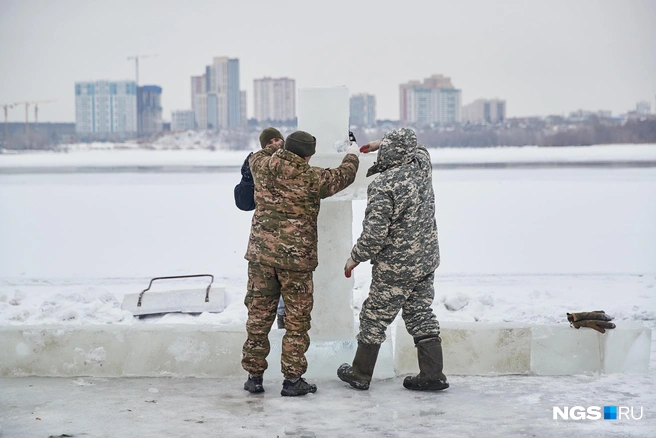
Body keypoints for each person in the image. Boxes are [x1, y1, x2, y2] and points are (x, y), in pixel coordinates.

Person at [242, 130, 360, 396]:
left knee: (258, 318)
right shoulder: (312, 178)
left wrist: (278, 150)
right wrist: (352, 152)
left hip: (261, 258)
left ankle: (254, 376)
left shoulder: (260, 165)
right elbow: (345, 175)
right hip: (296, 262)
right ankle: (293, 381)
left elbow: (259, 154)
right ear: (308, 155)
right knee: (296, 323)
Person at [337, 127, 449, 392]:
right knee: (419, 312)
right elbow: (420, 147)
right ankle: (433, 374)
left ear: (388, 150)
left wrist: (355, 257)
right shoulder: (422, 166)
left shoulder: (383, 185)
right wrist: (384, 143)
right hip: (426, 258)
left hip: (396, 266)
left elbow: (374, 235)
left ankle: (360, 373)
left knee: (374, 316)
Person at [234, 127, 287, 329]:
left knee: (289, 304)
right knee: (261, 303)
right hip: (264, 248)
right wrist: (247, 180)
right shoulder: (259, 168)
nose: (274, 144)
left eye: (277, 139)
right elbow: (244, 203)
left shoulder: (294, 165)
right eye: (269, 142)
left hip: (292, 246)